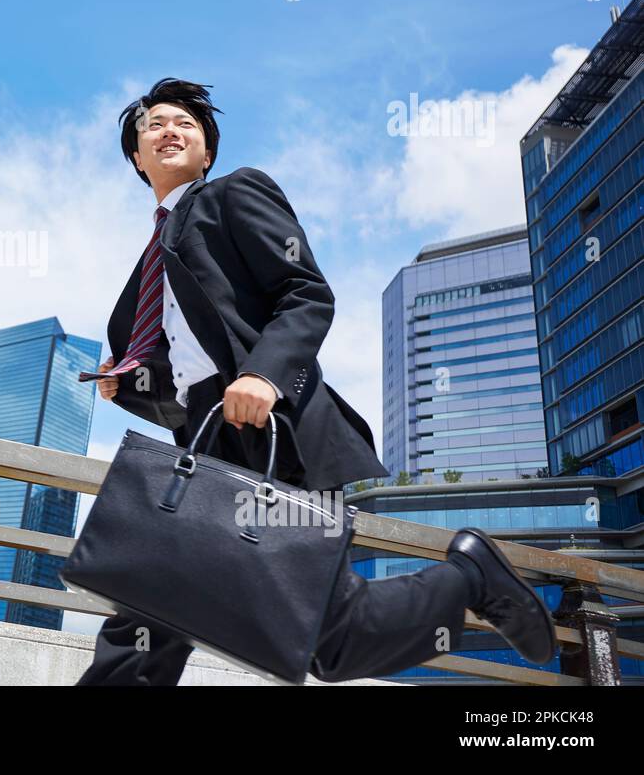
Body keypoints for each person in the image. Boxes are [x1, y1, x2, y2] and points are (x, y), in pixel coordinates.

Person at [75, 77, 557, 685]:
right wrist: (133, 384)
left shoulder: (231, 194)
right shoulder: (151, 255)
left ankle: (468, 579)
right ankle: (470, 580)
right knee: (149, 608)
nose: (169, 131)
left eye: (185, 125)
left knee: (326, 637)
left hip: (273, 429)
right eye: (153, 126)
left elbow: (305, 294)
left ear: (207, 151)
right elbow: (185, 364)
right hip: (203, 439)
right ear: (137, 159)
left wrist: (263, 375)